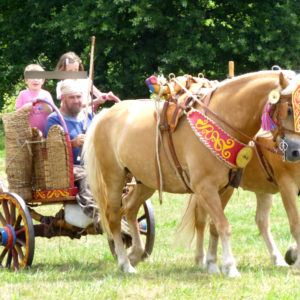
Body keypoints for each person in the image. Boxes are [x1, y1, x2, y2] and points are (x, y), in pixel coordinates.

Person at [45, 79, 97, 228]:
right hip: (66, 169)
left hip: (90, 163)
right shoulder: (54, 119)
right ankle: (94, 213)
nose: (76, 101)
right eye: (72, 97)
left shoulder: (89, 116)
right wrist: (73, 143)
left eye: (79, 97)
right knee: (87, 175)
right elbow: (52, 148)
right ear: (63, 98)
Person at [15, 64, 54, 136]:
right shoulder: (22, 94)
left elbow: (50, 112)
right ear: (26, 80)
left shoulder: (46, 94)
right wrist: (24, 109)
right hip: (27, 133)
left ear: (43, 80)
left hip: (45, 132)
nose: (35, 80)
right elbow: (17, 114)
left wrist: (44, 103)